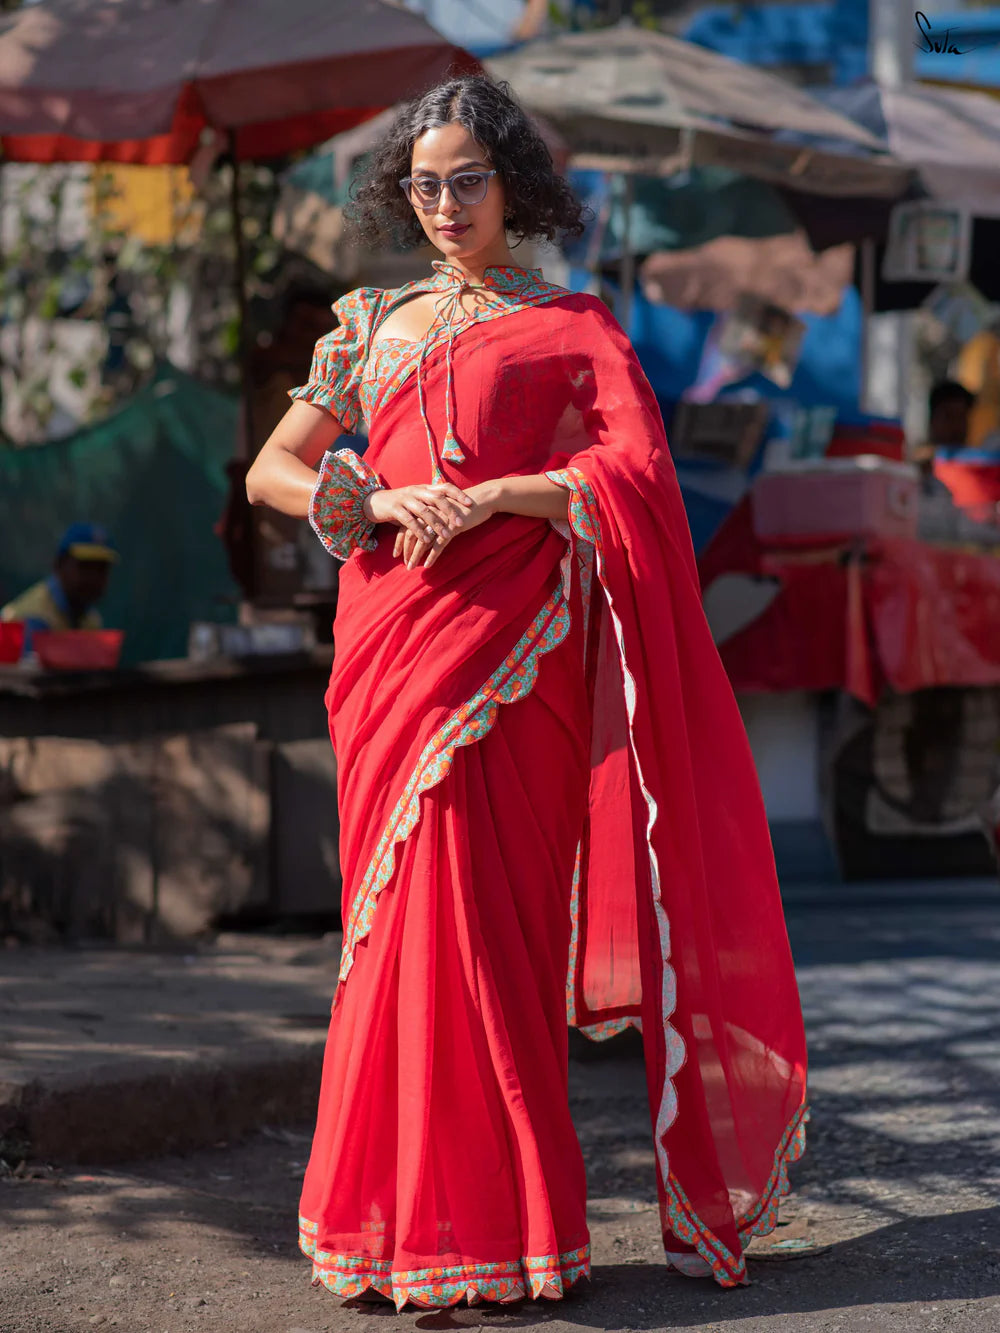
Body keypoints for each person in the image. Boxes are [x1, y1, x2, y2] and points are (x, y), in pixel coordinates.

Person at [245, 75, 807, 1311]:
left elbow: (635, 476)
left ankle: (510, 1233)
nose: (445, 203)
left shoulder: (574, 328)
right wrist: (378, 497)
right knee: (391, 938)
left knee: (494, 943)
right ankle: (392, 1228)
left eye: (469, 179)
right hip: (390, 646)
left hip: (515, 663)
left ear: (515, 184)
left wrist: (503, 494)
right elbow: (273, 473)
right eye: (425, 183)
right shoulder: (368, 324)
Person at [1, 522, 117, 653]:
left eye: (101, 569)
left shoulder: (90, 619)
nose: (94, 578)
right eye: (85, 567)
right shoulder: (33, 619)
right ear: (59, 565)